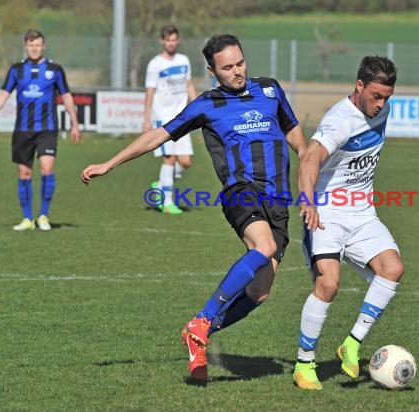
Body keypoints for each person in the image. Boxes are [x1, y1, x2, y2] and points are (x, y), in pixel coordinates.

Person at [81, 34, 306, 383]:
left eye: (240, 63)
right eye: (227, 67)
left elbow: (292, 128)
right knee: (264, 246)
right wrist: (111, 163)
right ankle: (202, 319)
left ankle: (197, 335)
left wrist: (307, 160)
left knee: (260, 292)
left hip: (278, 198)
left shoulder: (271, 90)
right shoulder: (206, 104)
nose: (237, 72)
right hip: (241, 191)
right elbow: (160, 134)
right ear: (212, 71)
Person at [292, 56, 403, 390]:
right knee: (328, 285)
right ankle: (303, 363)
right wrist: (308, 201)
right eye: (376, 96)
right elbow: (310, 158)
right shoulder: (340, 120)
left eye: (387, 97)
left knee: (392, 268)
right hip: (327, 214)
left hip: (363, 213)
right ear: (358, 86)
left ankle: (352, 343)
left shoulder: (381, 108)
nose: (381, 104)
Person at [0, 29, 80, 231]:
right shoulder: (16, 70)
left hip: (47, 129)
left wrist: (75, 123)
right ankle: (27, 218)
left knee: (47, 169)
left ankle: (43, 215)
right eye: (31, 45)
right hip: (23, 130)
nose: (34, 48)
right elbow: (3, 95)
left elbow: (67, 96)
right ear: (26, 46)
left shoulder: (55, 69)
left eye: (38, 45)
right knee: (24, 173)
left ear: (44, 46)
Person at [143, 24, 197, 215]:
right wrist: (147, 119)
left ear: (178, 40)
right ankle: (167, 203)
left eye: (174, 40)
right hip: (163, 118)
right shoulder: (155, 64)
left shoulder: (184, 60)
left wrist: (197, 105)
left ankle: (160, 184)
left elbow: (189, 84)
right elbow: (150, 92)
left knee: (186, 162)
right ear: (162, 41)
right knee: (170, 159)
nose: (171, 43)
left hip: (183, 116)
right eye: (168, 40)